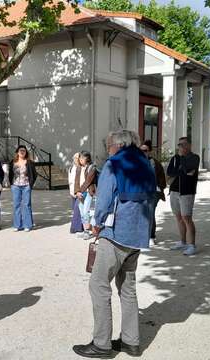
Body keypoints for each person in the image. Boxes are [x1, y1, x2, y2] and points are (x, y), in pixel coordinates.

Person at [73, 130, 156, 358]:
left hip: (116, 233)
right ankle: (131, 341)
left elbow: (104, 200)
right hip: (138, 234)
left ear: (117, 145)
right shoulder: (145, 164)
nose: (107, 148)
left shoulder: (113, 164)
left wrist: (96, 224)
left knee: (98, 284)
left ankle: (102, 344)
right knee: (127, 288)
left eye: (108, 144)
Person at [167, 137, 200, 255]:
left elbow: (189, 171)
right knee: (178, 217)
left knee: (187, 218)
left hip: (187, 192)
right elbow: (169, 173)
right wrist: (180, 171)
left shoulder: (194, 157)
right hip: (174, 191)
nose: (181, 147)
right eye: (179, 144)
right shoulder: (174, 158)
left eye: (184, 144)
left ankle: (192, 245)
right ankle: (182, 242)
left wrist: (181, 164)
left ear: (189, 145)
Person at [140, 140, 166, 243]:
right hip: (140, 192)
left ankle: (151, 236)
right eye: (141, 150)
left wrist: (159, 188)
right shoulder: (136, 163)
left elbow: (162, 179)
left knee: (150, 213)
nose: (143, 153)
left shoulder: (155, 163)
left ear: (149, 151)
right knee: (141, 213)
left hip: (153, 193)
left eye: (145, 150)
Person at [9, 145, 37, 232]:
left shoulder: (29, 162)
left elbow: (34, 174)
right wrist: (11, 184)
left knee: (26, 205)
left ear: (26, 152)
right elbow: (10, 173)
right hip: (16, 186)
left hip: (26, 185)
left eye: (24, 151)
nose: (22, 152)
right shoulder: (13, 162)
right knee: (16, 205)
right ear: (17, 152)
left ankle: (27, 225)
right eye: (20, 150)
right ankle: (17, 225)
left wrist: (30, 184)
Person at [75, 151, 97, 238]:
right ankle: (85, 230)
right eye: (79, 158)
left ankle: (87, 231)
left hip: (88, 192)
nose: (80, 160)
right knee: (81, 212)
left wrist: (80, 191)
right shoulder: (78, 168)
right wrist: (76, 192)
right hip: (80, 193)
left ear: (87, 158)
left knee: (85, 211)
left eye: (82, 158)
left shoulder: (92, 168)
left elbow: (88, 181)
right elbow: (76, 181)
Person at [69, 152, 84, 234]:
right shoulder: (71, 168)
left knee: (77, 209)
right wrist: (71, 191)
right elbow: (70, 181)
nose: (76, 159)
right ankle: (80, 226)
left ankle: (75, 228)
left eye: (78, 158)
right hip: (72, 192)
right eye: (75, 158)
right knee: (75, 210)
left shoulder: (82, 168)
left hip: (79, 191)